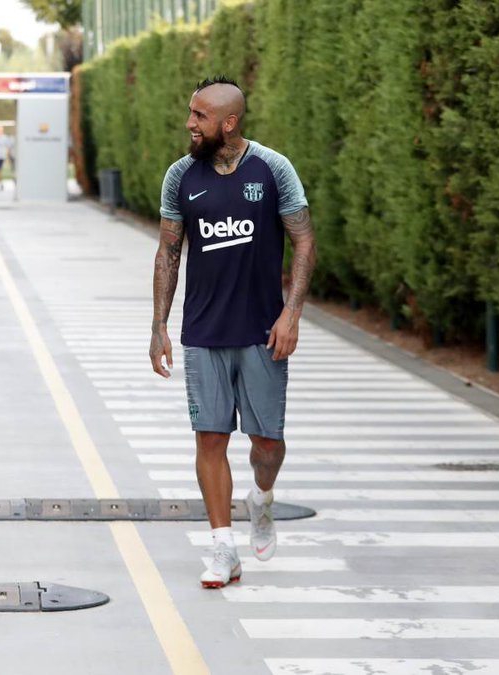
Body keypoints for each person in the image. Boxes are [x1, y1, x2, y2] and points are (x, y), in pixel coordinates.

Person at [148, 76, 316, 589]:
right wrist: (158, 325)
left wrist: (292, 315)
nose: (189, 124)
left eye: (200, 117)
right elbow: (168, 254)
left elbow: (304, 243)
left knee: (267, 443)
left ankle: (262, 500)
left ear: (229, 122)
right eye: (190, 114)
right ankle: (223, 549)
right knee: (210, 439)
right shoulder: (181, 176)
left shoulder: (273, 169)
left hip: (264, 333)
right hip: (204, 334)